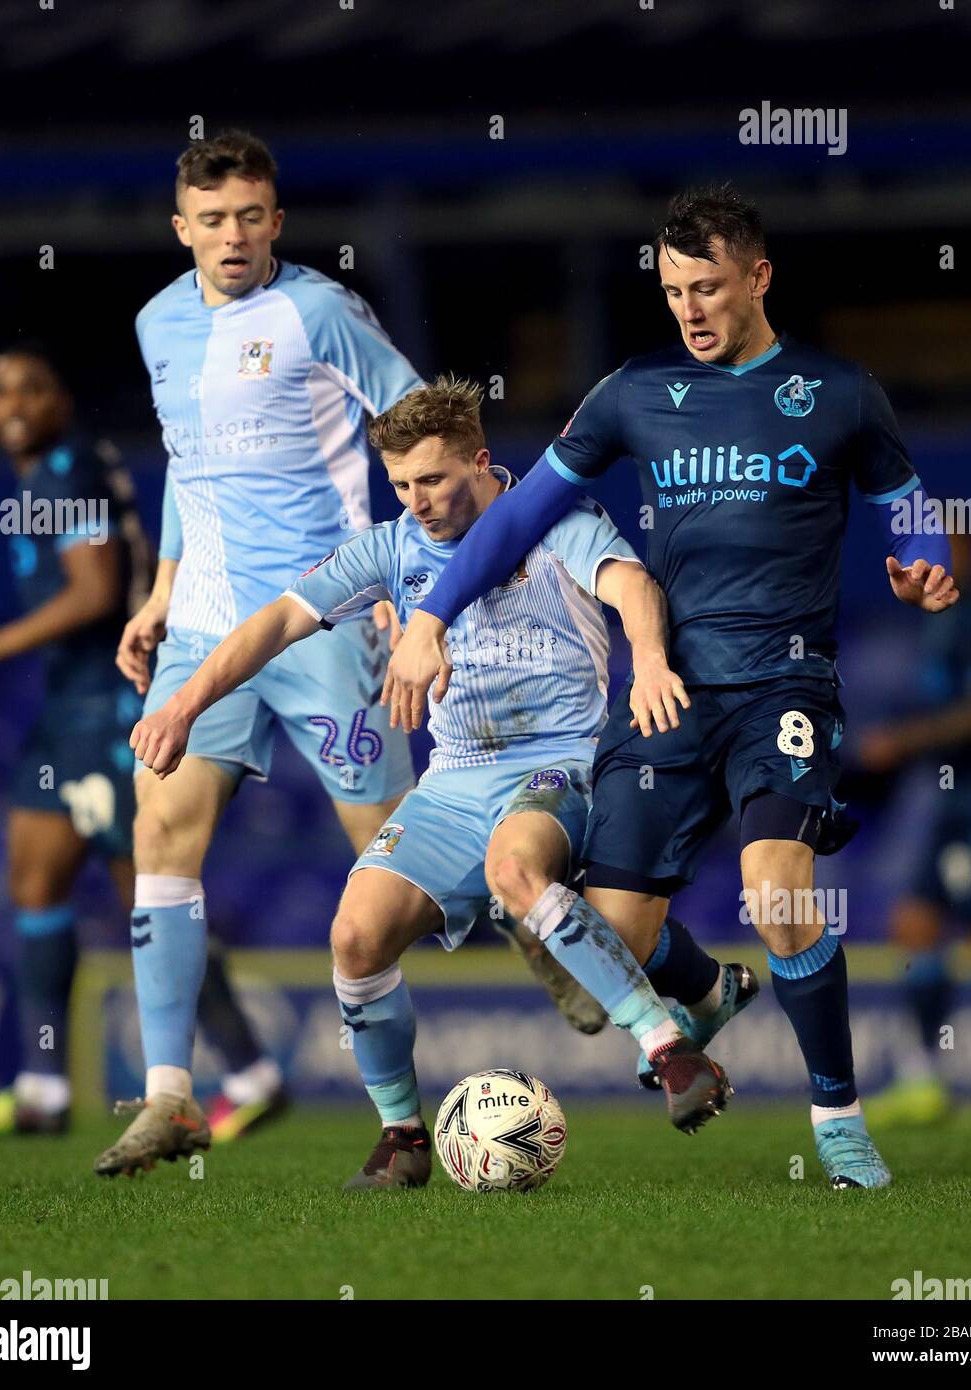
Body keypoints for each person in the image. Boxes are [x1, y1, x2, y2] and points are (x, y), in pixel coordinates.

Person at [380, 185, 960, 1188]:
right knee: (612, 951)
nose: (688, 310)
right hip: (667, 695)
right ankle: (703, 995)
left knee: (775, 890)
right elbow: (516, 522)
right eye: (671, 291)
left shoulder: (836, 391)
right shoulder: (630, 393)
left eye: (706, 287)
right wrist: (429, 615)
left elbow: (909, 510)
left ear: (756, 276)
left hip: (780, 686)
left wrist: (918, 558)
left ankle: (836, 1121)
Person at [98, 130, 595, 1172]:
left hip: (328, 619)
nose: (232, 236)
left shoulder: (319, 311)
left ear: (276, 220)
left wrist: (413, 588)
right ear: (179, 226)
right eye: (212, 219)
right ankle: (173, 1095)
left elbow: (426, 439)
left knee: (397, 855)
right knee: (160, 832)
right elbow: (187, 470)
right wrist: (156, 593)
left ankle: (525, 920)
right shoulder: (156, 325)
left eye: (251, 216)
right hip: (208, 625)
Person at [121, 377, 732, 1185]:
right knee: (355, 936)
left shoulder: (560, 522)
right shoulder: (391, 548)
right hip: (453, 783)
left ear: (482, 461)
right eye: (402, 484)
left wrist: (648, 660)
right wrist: (187, 705)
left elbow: (633, 588)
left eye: (435, 479)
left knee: (515, 869)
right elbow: (274, 620)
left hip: (559, 765)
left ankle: (670, 1050)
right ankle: (403, 1137)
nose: (418, 501)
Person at [0, 344, 148, 1136]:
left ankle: (243, 1067)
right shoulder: (45, 475)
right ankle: (43, 1088)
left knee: (149, 897)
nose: (13, 403)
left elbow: (96, 592)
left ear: (62, 397)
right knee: (33, 873)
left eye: (32, 386)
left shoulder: (67, 471)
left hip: (109, 708)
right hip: (65, 709)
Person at [862, 536, 971, 1127]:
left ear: (966, 551)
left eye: (944, 543)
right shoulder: (937, 620)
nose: (929, 555)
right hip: (953, 801)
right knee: (914, 924)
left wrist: (907, 741)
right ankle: (923, 1078)